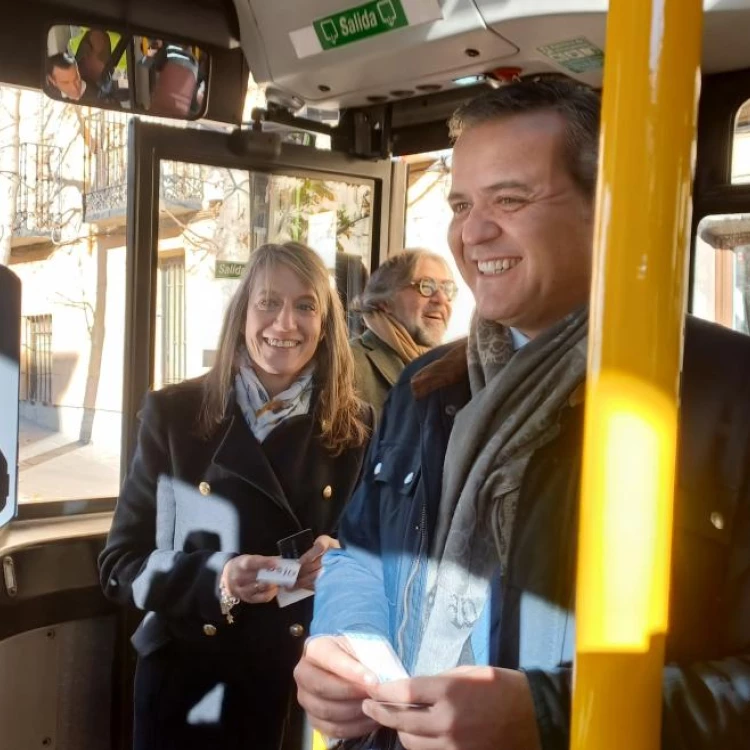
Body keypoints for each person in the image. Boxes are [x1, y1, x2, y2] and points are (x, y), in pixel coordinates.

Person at [294, 80, 750, 750]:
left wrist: (548, 716)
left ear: (608, 210)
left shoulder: (727, 395)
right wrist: (345, 641)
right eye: (460, 204)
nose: (472, 232)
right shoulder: (429, 386)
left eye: (510, 199)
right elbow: (362, 551)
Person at [99, 242, 373, 750]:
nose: (285, 323)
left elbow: (378, 565)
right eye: (268, 302)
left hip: (297, 689)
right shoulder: (175, 415)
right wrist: (220, 578)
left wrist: (338, 566)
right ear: (242, 313)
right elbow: (121, 566)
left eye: (305, 306)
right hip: (187, 689)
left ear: (326, 323)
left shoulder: (355, 428)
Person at [349, 250, 456, 415]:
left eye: (447, 289)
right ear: (385, 302)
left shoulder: (453, 366)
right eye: (426, 286)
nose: (441, 299)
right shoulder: (349, 364)